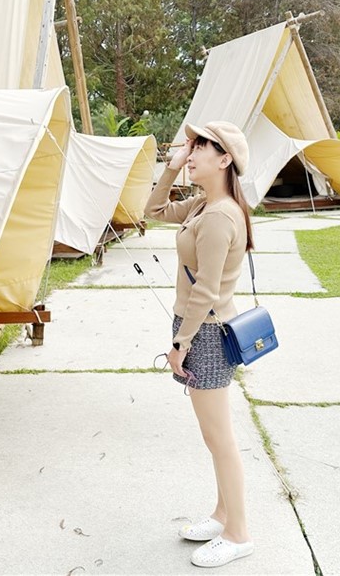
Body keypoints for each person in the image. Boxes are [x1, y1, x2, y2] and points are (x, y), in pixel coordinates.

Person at [145, 121, 255, 568]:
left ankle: (239, 533)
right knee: (215, 437)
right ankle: (222, 513)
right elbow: (152, 210)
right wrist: (170, 170)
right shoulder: (202, 206)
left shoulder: (218, 215)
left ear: (225, 158)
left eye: (200, 147)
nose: (189, 152)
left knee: (219, 437)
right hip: (198, 327)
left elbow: (206, 291)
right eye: (189, 146)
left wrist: (178, 344)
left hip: (205, 332)